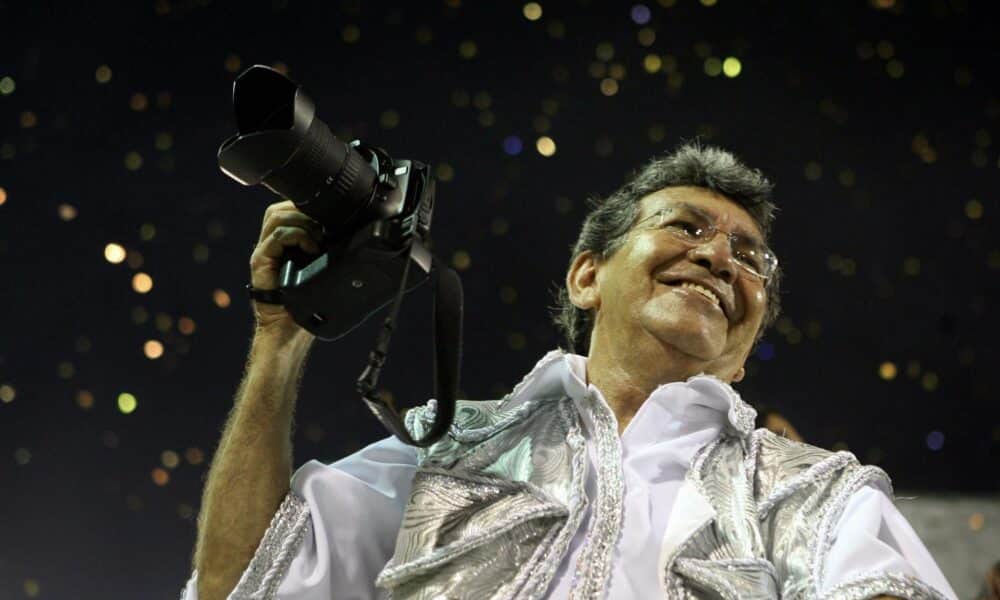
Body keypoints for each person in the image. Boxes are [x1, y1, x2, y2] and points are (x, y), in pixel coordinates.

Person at [182, 144, 957, 600]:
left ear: (746, 344)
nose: (720, 256)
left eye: (751, 257)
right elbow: (239, 584)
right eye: (685, 226)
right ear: (588, 276)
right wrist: (279, 340)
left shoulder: (816, 495)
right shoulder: (447, 452)